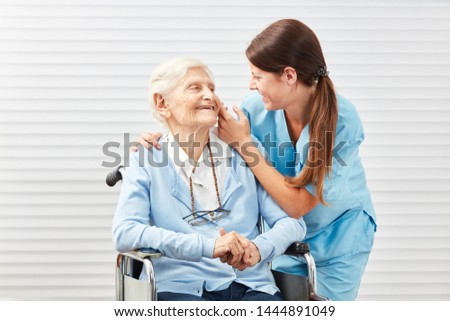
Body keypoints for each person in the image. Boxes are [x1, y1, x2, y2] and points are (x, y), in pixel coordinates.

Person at [135, 19, 377, 301]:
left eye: (258, 76)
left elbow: (298, 205)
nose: (251, 85)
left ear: (289, 76)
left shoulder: (342, 121)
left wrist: (244, 144)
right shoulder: (256, 108)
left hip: (337, 238)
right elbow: (199, 130)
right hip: (283, 240)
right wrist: (155, 141)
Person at [112, 57, 306, 301]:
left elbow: (293, 223)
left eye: (212, 89)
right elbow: (125, 232)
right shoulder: (147, 157)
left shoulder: (244, 150)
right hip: (181, 288)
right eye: (195, 87)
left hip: (252, 285)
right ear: (162, 103)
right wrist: (208, 246)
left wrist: (259, 249)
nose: (210, 96)